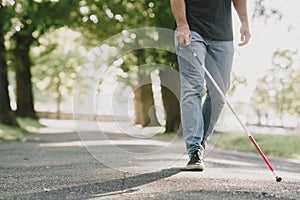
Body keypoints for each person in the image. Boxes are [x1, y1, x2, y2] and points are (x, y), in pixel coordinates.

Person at [170, 0, 251, 170]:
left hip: (223, 35)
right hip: (192, 30)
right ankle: (194, 150)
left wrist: (244, 22)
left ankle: (200, 142)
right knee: (193, 86)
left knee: (220, 93)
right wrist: (182, 24)